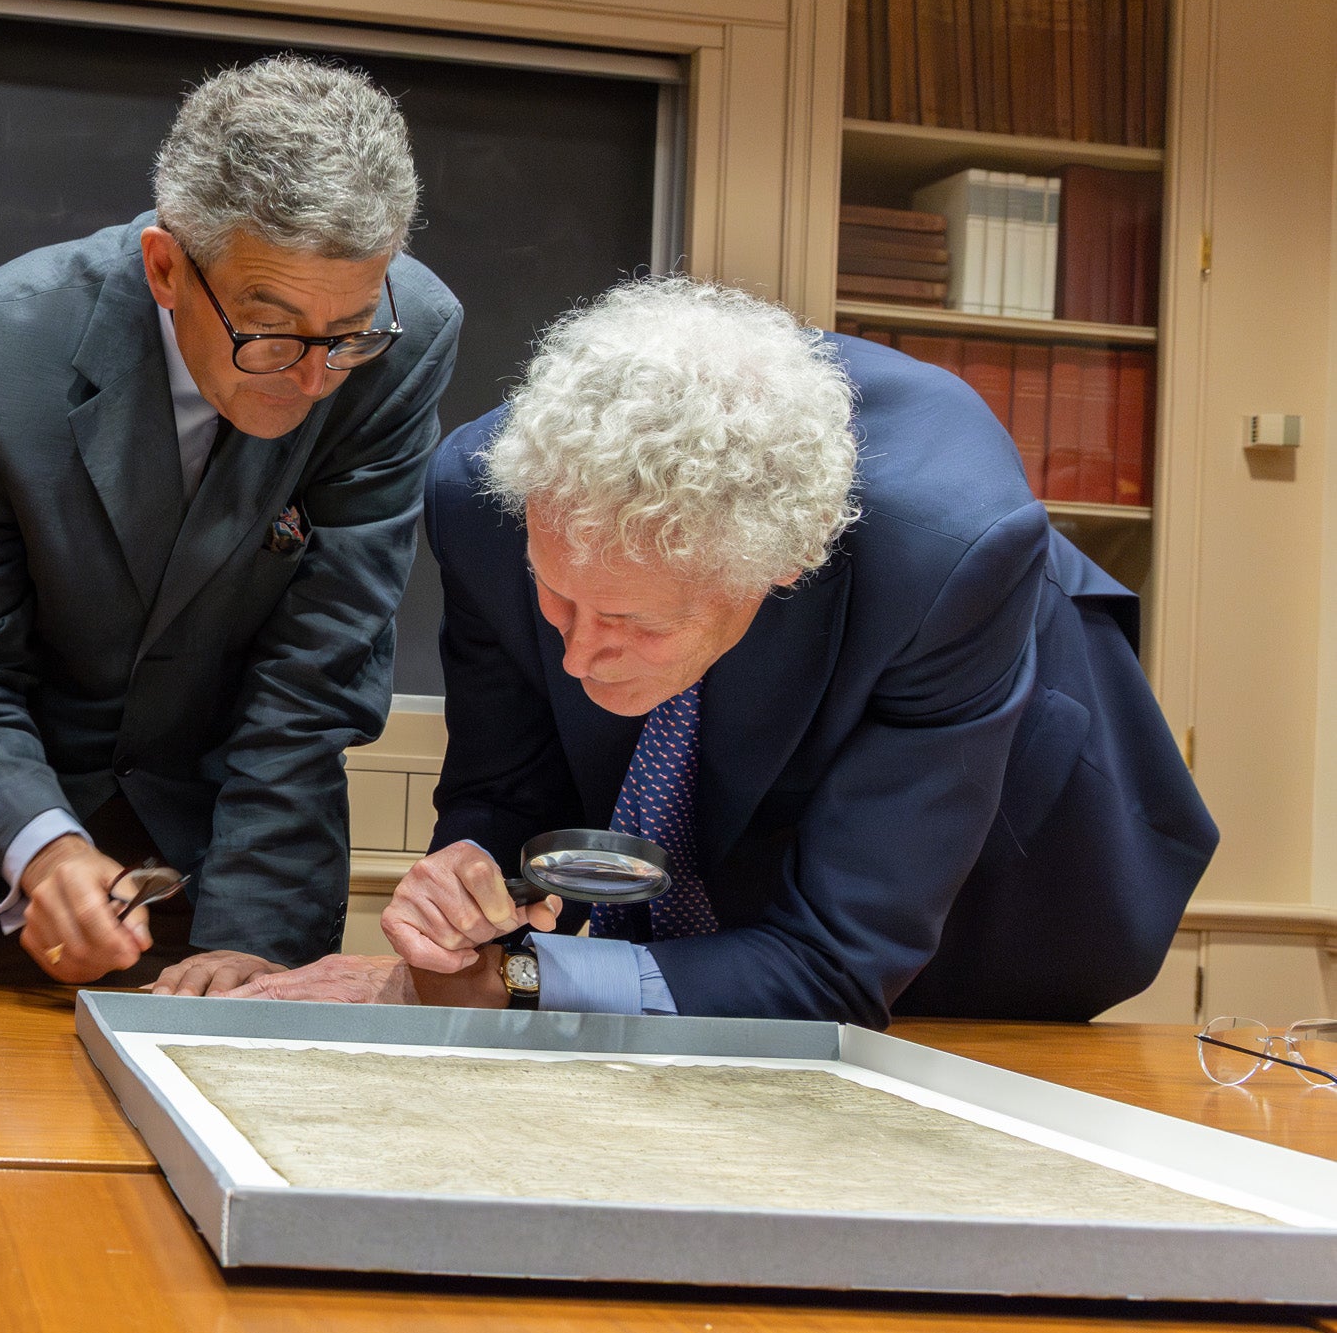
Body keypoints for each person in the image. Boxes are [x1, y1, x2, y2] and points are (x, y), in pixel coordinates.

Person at [232, 276, 1216, 1022]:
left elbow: (837, 962)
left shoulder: (951, 546)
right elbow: (509, 784)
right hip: (742, 869)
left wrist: (518, 979)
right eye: (558, 600)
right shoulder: (482, 496)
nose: (578, 658)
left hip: (992, 897)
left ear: (778, 568)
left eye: (638, 625)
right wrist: (470, 881)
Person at [0, 57, 459, 991]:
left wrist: (249, 935)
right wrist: (43, 850)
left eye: (349, 335)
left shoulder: (404, 340)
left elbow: (317, 668)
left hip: (235, 846)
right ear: (166, 268)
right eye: (272, 330)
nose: (312, 379)